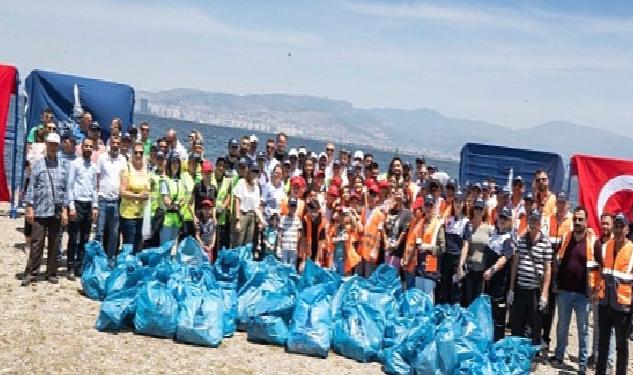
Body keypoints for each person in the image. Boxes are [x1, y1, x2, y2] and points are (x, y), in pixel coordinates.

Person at [549, 207, 600, 375]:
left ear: (586, 221)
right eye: (575, 219)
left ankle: (582, 365)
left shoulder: (593, 241)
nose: (577, 222)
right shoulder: (566, 236)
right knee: (562, 325)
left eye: (580, 220)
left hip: (583, 295)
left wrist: (595, 289)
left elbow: (602, 267)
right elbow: (558, 261)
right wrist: (556, 282)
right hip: (564, 291)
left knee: (583, 329)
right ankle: (558, 355)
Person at [22, 132, 67, 285]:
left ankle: (51, 273)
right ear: (46, 145)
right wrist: (29, 207)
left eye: (55, 145)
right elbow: (31, 188)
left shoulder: (63, 166)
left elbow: (66, 189)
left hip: (56, 210)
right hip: (40, 209)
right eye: (51, 144)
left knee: (55, 243)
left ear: (58, 146)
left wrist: (66, 209)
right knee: (37, 243)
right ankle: (31, 273)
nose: (53, 147)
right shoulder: (38, 164)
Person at [509, 210, 553, 359]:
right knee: (517, 323)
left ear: (540, 224)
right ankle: (516, 354)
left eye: (536, 221)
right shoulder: (521, 239)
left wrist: (545, 294)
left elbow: (548, 269)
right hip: (520, 289)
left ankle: (533, 355)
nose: (533, 224)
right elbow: (515, 264)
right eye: (531, 221)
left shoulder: (545, 242)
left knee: (536, 325)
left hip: (535, 290)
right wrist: (511, 289)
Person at [596, 213, 633, 375]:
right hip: (605, 304)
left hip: (623, 308)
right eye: (616, 226)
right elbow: (599, 272)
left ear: (627, 229)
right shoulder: (606, 247)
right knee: (602, 344)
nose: (618, 230)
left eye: (621, 226)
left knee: (621, 346)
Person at [542, 192, 573, 353]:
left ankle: (555, 342)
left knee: (557, 307)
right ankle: (541, 337)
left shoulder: (572, 222)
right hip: (547, 267)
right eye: (558, 202)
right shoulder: (549, 219)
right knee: (544, 304)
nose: (560, 205)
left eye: (563, 202)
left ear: (568, 204)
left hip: (561, 271)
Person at [65, 138, 99, 278]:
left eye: (91, 146)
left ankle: (80, 265)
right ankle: (70, 266)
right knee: (73, 237)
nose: (88, 148)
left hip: (88, 205)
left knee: (85, 237)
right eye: (86, 146)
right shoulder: (75, 164)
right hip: (77, 204)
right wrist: (71, 206)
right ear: (82, 147)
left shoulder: (93, 167)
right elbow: (70, 186)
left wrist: (95, 206)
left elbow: (94, 188)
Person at [588, 213, 616, 370]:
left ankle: (609, 360)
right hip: (597, 291)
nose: (604, 226)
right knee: (597, 325)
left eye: (607, 223)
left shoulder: (615, 244)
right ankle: (596, 354)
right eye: (602, 223)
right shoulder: (597, 243)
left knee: (609, 328)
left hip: (611, 293)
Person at [96, 135, 126, 260]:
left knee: (114, 233)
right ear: (110, 143)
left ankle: (109, 258)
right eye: (113, 142)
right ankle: (98, 258)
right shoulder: (102, 158)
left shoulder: (123, 160)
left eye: (117, 143)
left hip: (115, 200)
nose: (115, 145)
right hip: (103, 199)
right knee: (99, 232)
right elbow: (97, 178)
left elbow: (124, 178)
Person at [438, 189, 471, 305]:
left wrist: (461, 265)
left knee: (455, 291)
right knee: (444, 288)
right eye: (456, 201)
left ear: (463, 204)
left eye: (460, 201)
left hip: (456, 260)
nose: (458, 204)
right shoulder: (448, 219)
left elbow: (466, 245)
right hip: (446, 259)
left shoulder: (466, 222)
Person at [461, 198, 495, 307]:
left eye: (480, 209)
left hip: (482, 271)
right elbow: (465, 245)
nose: (478, 211)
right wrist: (461, 265)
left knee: (478, 300)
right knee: (468, 300)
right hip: (470, 268)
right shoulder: (468, 226)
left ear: (484, 211)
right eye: (476, 208)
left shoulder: (489, 229)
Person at [119, 142, 150, 253]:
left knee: (138, 245)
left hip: (141, 214)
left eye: (140, 153)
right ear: (132, 153)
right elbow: (122, 192)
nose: (138, 155)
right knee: (128, 246)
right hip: (128, 214)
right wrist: (138, 196)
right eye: (136, 152)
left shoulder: (145, 170)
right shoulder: (127, 168)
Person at [414, 194, 446, 302]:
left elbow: (442, 248)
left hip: (431, 263)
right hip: (419, 263)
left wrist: (427, 248)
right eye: (426, 205)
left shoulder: (438, 225)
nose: (428, 208)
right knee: (418, 297)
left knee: (428, 297)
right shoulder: (420, 223)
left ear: (434, 207)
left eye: (430, 206)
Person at [233, 164, 265, 248]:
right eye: (253, 171)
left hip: (252, 216)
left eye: (256, 172)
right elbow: (237, 200)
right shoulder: (241, 182)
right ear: (249, 172)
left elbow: (257, 207)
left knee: (248, 243)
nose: (254, 174)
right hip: (242, 215)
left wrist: (262, 220)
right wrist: (237, 220)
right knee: (238, 241)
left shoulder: (257, 187)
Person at [357, 185, 385, 277]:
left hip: (370, 251)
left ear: (377, 198)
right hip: (361, 249)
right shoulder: (364, 210)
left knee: (368, 277)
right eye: (371, 194)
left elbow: (379, 235)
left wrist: (375, 251)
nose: (372, 197)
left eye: (374, 195)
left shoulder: (380, 214)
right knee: (358, 276)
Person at [160, 152, 185, 245]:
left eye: (177, 163)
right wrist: (172, 204)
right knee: (165, 246)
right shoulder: (165, 180)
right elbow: (165, 198)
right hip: (167, 218)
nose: (175, 165)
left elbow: (183, 197)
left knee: (175, 246)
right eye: (173, 163)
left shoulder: (180, 180)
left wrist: (180, 204)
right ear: (169, 165)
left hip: (177, 218)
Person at [384, 187, 411, 270]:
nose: (397, 196)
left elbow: (404, 231)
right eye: (396, 193)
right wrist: (386, 242)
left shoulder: (407, 213)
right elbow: (385, 228)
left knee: (393, 272)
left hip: (398, 248)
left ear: (404, 197)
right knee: (386, 271)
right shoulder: (390, 211)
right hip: (388, 245)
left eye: (399, 193)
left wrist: (396, 244)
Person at [146, 150, 167, 248]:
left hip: (165, 213)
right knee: (150, 239)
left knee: (162, 242)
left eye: (162, 159)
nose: (160, 162)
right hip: (152, 213)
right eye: (158, 159)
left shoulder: (168, 176)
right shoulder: (151, 175)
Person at [301, 199, 328, 264]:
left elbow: (321, 241)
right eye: (312, 211)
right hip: (307, 248)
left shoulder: (322, 220)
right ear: (308, 209)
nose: (313, 213)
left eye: (315, 211)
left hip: (317, 250)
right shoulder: (305, 219)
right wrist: (303, 259)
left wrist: (317, 259)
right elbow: (303, 239)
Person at [279, 198, 302, 269]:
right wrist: (279, 248)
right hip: (284, 246)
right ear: (288, 206)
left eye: (294, 206)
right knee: (283, 266)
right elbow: (280, 234)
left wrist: (298, 248)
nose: (292, 208)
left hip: (294, 247)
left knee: (292, 267)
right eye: (291, 206)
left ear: (296, 207)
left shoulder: (298, 220)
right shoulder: (283, 218)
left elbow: (299, 235)